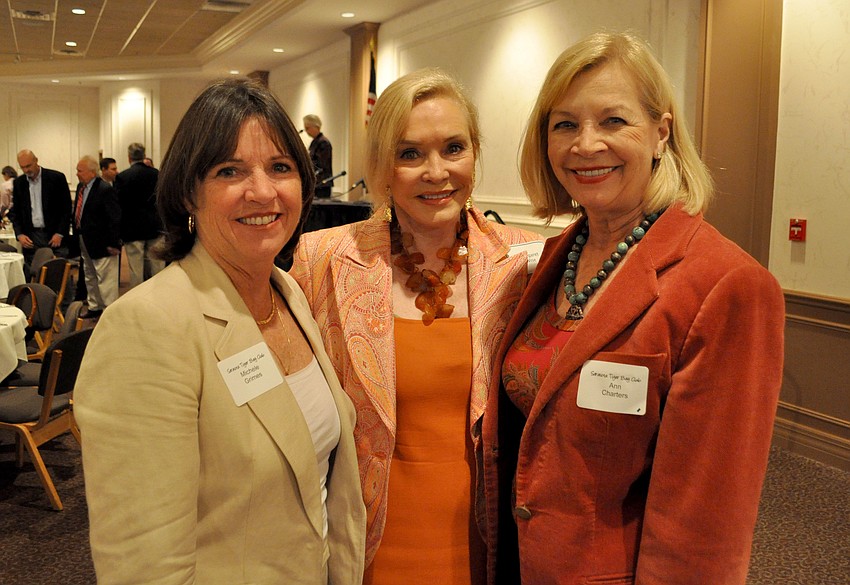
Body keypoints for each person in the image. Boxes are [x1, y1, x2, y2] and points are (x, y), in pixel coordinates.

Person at [481, 32, 785, 585]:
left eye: (613, 121)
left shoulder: (726, 286)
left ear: (660, 134)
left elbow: (705, 528)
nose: (585, 144)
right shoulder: (556, 257)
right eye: (565, 124)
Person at [74, 79, 365, 584]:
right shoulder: (148, 327)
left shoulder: (287, 293)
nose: (263, 191)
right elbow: (145, 567)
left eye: (280, 167)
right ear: (188, 192)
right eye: (229, 171)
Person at [290, 68, 544, 585]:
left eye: (454, 148)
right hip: (369, 541)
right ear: (382, 165)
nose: (437, 172)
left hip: (488, 538)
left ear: (475, 153)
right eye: (410, 154)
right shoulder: (323, 259)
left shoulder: (523, 263)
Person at [74, 155, 122, 318]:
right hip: (86, 240)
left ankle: (109, 311)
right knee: (90, 274)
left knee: (106, 279)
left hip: (103, 243)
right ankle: (94, 306)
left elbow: (114, 218)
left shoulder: (104, 189)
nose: (77, 174)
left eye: (80, 171)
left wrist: (113, 243)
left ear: (92, 172)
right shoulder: (82, 188)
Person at [114, 142, 165, 287]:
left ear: (129, 157)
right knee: (157, 267)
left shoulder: (123, 177)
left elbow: (119, 205)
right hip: (155, 226)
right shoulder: (157, 174)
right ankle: (159, 297)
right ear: (144, 155)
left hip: (132, 228)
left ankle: (138, 303)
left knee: (135, 269)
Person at [9, 149, 71, 262]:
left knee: (56, 273)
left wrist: (60, 233)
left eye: (29, 165)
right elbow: (15, 212)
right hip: (31, 238)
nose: (26, 170)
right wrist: (19, 234)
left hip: (54, 236)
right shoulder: (19, 183)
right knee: (33, 273)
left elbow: (66, 209)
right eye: (23, 167)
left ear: (36, 161)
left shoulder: (56, 178)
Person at [303, 114, 333, 198]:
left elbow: (321, 165)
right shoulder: (315, 142)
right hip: (316, 183)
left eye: (307, 128)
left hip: (322, 184)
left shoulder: (323, 143)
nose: (306, 131)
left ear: (316, 127)